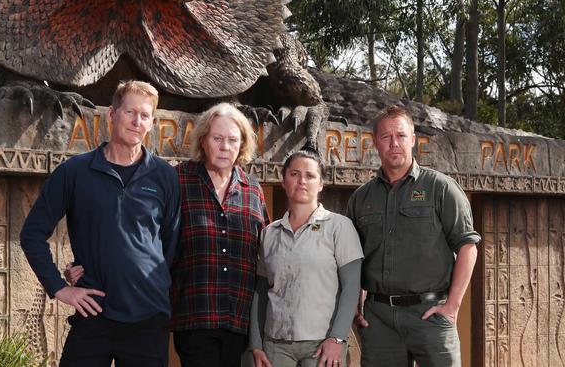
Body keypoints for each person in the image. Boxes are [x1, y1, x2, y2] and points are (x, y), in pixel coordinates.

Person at [20, 80, 181, 367]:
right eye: (130, 112)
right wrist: (59, 287)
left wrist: (147, 280)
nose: (136, 121)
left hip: (148, 318)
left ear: (152, 123)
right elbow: (32, 234)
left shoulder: (165, 176)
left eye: (144, 115)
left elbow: (169, 244)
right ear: (111, 114)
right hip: (94, 311)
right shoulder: (75, 171)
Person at [347, 106, 481, 367]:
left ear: (413, 140)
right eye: (386, 137)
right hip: (379, 318)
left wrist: (452, 307)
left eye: (400, 135)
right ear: (375, 143)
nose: (394, 143)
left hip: (430, 314)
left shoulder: (440, 188)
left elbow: (468, 246)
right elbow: (352, 258)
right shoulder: (361, 198)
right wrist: (353, 305)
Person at [170, 103, 270, 367]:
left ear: (242, 144)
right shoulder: (177, 180)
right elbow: (148, 239)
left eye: (232, 140)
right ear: (203, 141)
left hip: (240, 319)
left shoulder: (253, 189)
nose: (225, 146)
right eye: (218, 138)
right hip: (195, 315)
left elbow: (267, 253)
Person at [250, 150, 364, 367]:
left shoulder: (340, 227)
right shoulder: (269, 233)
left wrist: (338, 338)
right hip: (275, 344)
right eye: (294, 174)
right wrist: (256, 343)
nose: (302, 181)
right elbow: (261, 291)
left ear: (321, 184)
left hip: (322, 344)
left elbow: (351, 289)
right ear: (283, 181)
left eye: (310, 176)